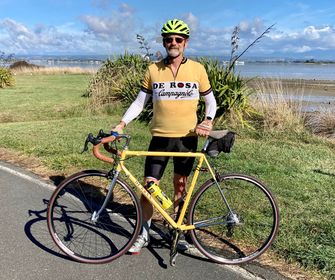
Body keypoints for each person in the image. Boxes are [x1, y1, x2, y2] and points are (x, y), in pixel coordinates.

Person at [113, 19, 217, 254]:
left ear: (185, 43)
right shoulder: (153, 70)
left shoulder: (198, 69)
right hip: (159, 138)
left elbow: (211, 102)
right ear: (163, 42)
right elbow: (140, 102)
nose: (173, 43)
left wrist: (207, 121)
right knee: (148, 188)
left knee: (181, 187)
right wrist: (122, 123)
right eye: (169, 39)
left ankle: (177, 233)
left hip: (186, 139)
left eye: (178, 39)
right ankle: (143, 234)